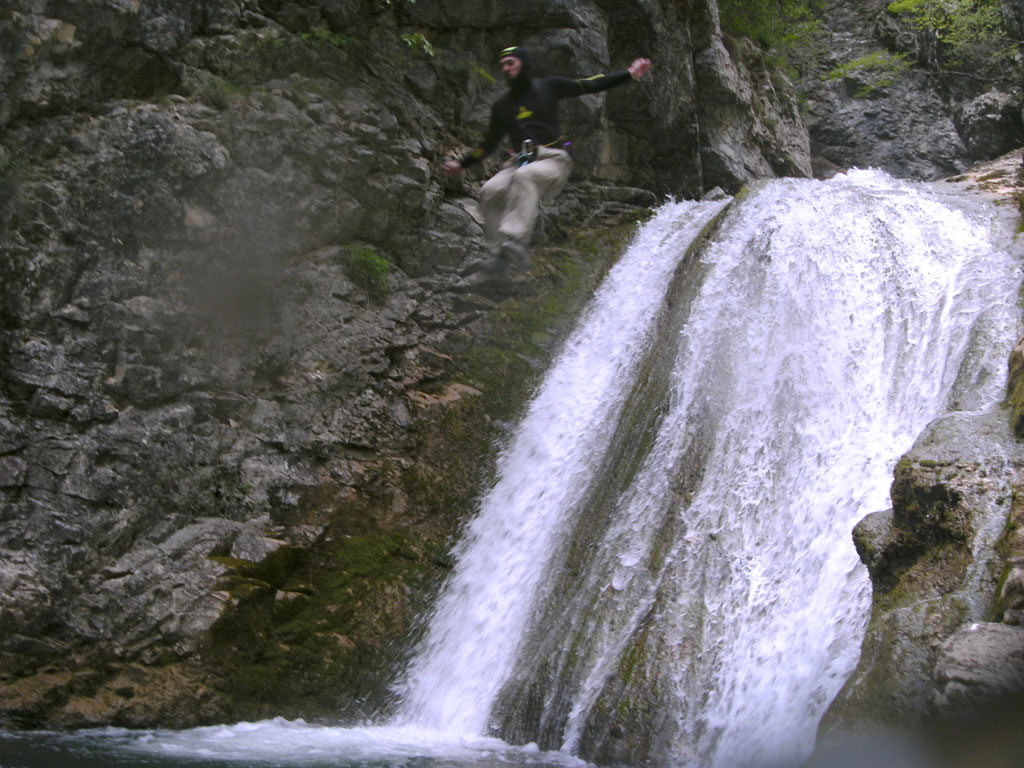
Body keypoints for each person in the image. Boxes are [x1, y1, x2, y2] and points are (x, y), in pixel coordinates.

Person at [443, 46, 652, 274]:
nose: (506, 68)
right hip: (519, 163)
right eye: (503, 65)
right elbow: (489, 144)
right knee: (489, 191)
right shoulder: (502, 106)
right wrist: (461, 165)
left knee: (525, 176)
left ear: (523, 63)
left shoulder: (547, 87)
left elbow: (590, 84)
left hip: (554, 161)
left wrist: (629, 73)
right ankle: (499, 258)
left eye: (511, 62)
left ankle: (516, 241)